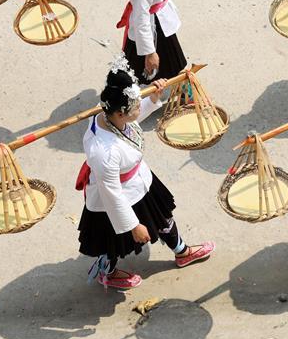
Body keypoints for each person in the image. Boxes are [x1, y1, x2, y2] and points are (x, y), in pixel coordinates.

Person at [76, 54, 214, 289]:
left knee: (163, 218)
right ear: (119, 113)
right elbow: (112, 194)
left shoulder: (114, 118)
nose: (141, 104)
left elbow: (134, 122)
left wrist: (155, 96)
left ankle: (182, 252)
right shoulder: (103, 151)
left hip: (141, 181)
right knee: (114, 243)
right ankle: (107, 272)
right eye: (137, 104)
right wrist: (132, 225)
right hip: (118, 198)